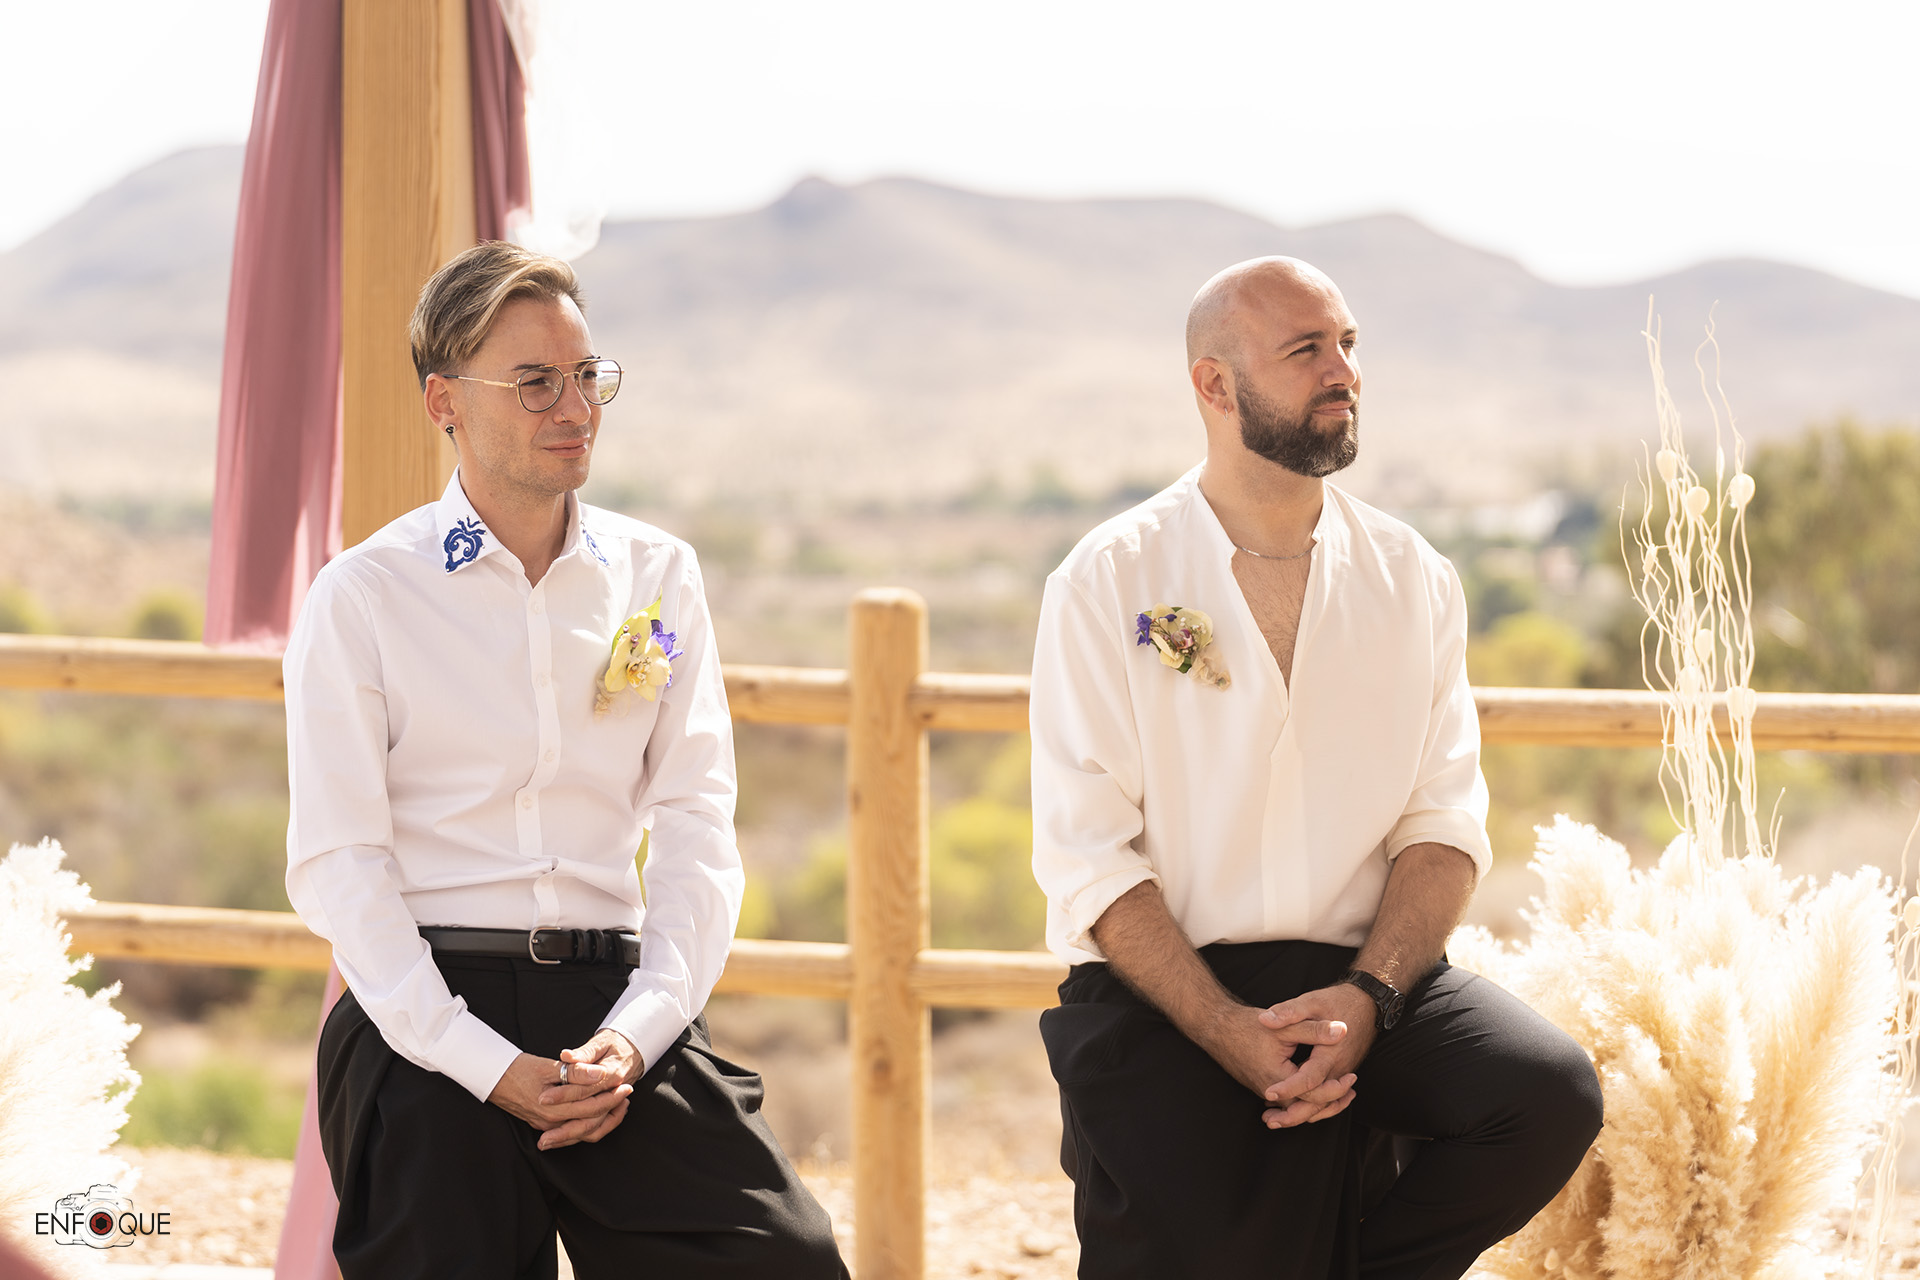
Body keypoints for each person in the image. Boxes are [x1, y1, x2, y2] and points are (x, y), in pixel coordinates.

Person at [1029, 256, 1603, 1279]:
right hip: (1169, 992)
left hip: (1361, 978)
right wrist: (1223, 1025)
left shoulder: (1414, 579)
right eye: (1306, 350)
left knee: (1543, 1094)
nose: (1343, 371)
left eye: (1347, 343)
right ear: (1214, 385)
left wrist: (1369, 997)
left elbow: (1442, 827)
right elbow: (1090, 855)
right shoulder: (1109, 580)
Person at [284, 241, 846, 1279]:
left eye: (588, 376)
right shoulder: (363, 595)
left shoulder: (658, 573)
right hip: (428, 1016)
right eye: (535, 382)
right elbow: (339, 864)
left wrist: (641, 1031)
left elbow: (696, 825)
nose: (576, 408)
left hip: (616, 1012)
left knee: (787, 1260)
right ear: (444, 400)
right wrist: (485, 1063)